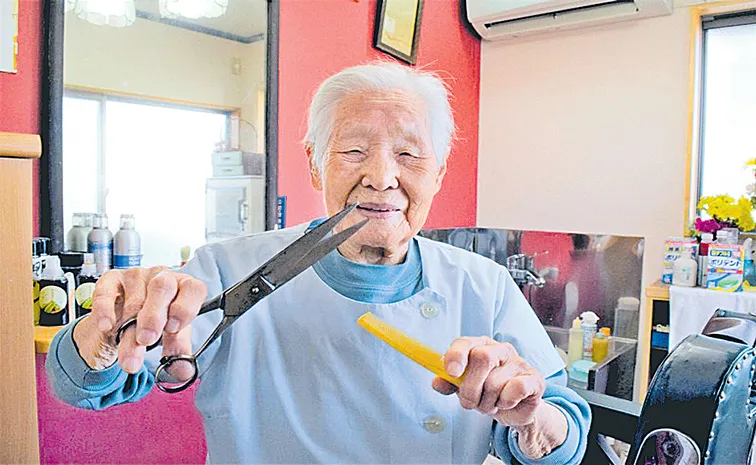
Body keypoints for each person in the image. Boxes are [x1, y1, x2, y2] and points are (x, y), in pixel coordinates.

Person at [47, 62, 590, 464]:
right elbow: (81, 386)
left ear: (440, 171)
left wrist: (528, 417)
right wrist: (106, 329)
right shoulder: (225, 269)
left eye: (408, 154)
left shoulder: (486, 285)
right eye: (354, 150)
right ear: (314, 163)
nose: (381, 176)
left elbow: (562, 435)